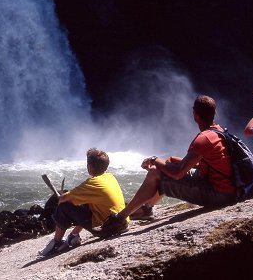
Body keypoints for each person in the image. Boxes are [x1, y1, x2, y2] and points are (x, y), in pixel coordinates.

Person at [99, 95, 236, 235]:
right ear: (214, 113)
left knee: (156, 172)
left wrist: (154, 159)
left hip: (218, 195)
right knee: (167, 164)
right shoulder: (218, 131)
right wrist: (168, 161)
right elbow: (205, 164)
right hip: (227, 190)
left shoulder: (203, 139)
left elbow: (177, 174)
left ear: (195, 114)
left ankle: (120, 219)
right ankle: (146, 208)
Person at [38, 148, 126, 256]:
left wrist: (62, 197)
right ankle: (74, 235)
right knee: (87, 202)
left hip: (107, 229)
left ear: (89, 166)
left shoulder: (92, 183)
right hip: (122, 223)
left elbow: (63, 199)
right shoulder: (110, 177)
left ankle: (56, 243)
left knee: (64, 206)